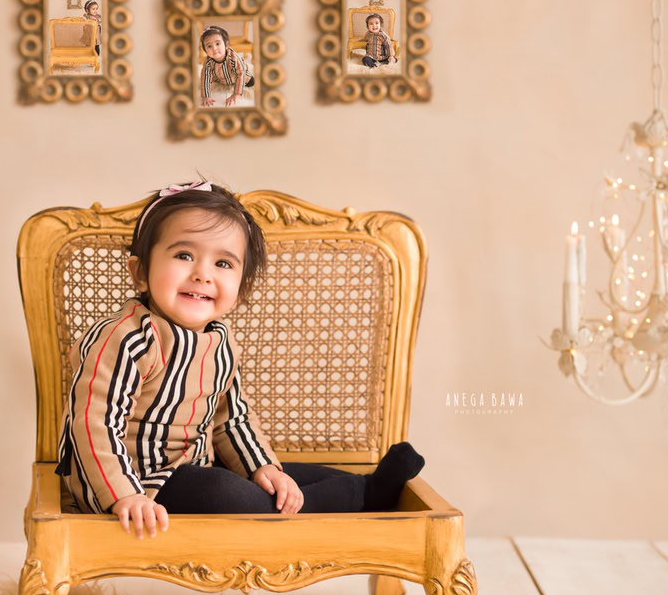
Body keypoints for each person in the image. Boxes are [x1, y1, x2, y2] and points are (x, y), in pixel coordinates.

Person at [54, 180, 426, 538]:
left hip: (192, 469)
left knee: (282, 476)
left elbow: (231, 418)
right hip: (136, 484)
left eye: (223, 264)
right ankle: (350, 499)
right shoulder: (126, 337)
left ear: (242, 287)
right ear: (140, 273)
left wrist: (263, 466)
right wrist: (123, 495)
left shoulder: (220, 342)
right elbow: (95, 422)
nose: (202, 274)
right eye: (184, 255)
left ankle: (365, 489)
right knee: (225, 493)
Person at [198, 26, 254, 108]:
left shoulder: (234, 57)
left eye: (217, 44)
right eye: (209, 46)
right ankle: (224, 81)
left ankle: (240, 83)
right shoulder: (208, 62)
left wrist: (236, 94)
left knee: (251, 81)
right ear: (205, 50)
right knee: (210, 78)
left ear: (226, 45)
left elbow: (240, 73)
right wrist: (205, 96)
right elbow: (205, 78)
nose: (214, 48)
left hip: (235, 74)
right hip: (219, 76)